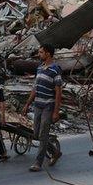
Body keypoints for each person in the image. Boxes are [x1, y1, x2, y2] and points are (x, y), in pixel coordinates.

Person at [22, 43, 63, 172]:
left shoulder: (55, 70)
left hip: (48, 106)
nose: (39, 54)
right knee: (36, 134)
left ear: (48, 54)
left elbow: (58, 92)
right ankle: (55, 152)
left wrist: (56, 112)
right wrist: (28, 104)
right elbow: (35, 88)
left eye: (41, 52)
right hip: (38, 105)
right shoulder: (39, 68)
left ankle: (38, 163)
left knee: (43, 134)